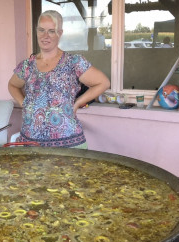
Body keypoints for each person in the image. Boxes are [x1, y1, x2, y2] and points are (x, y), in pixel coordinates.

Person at [8, 10, 110, 149]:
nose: (45, 36)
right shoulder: (27, 65)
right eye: (41, 30)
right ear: (36, 31)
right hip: (31, 144)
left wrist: (78, 102)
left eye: (51, 31)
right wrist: (24, 103)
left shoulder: (73, 62)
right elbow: (12, 85)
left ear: (60, 33)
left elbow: (103, 82)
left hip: (69, 144)